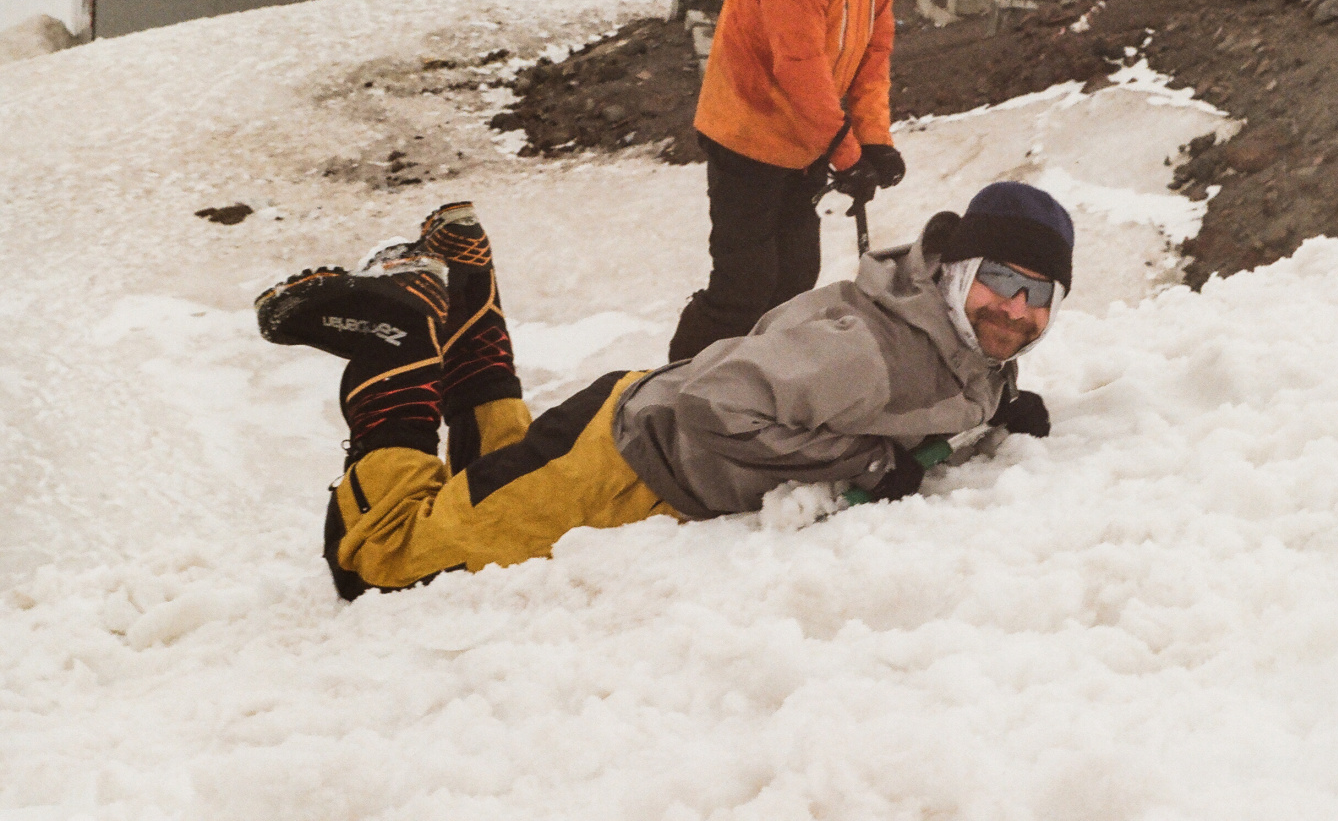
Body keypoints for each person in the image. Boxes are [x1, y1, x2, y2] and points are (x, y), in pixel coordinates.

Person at [255, 183, 1071, 600]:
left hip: (621, 431)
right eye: (1001, 279)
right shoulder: (867, 352)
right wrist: (863, 457)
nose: (1017, 309)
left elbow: (968, 373)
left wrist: (1003, 405)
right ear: (959, 271)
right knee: (381, 561)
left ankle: (464, 286)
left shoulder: (964, 338)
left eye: (1041, 295)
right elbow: (710, 406)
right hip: (625, 464)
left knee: (491, 473)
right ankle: (398, 336)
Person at [668, 0, 919, 361]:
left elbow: (874, 45)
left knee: (792, 285)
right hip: (750, 131)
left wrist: (873, 136)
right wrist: (846, 150)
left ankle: (745, 392)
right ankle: (664, 396)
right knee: (743, 288)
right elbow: (797, 59)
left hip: (804, 138)